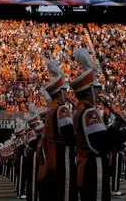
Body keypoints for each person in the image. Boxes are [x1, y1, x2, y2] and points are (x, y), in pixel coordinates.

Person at [70, 48, 126, 201]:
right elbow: (102, 144)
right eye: (96, 89)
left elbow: (99, 137)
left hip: (88, 165)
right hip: (92, 167)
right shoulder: (89, 111)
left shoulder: (83, 109)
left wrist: (115, 125)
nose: (99, 93)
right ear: (90, 90)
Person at [39, 58, 76, 201]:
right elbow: (69, 136)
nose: (67, 95)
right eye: (65, 91)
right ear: (60, 93)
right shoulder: (61, 109)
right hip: (62, 156)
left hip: (54, 154)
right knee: (66, 190)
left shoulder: (52, 109)